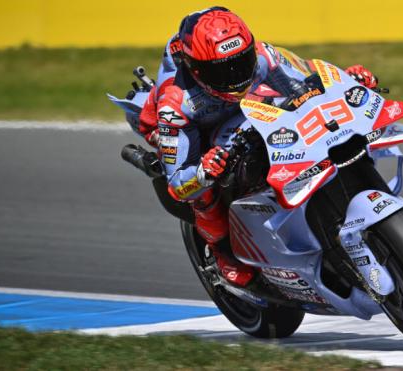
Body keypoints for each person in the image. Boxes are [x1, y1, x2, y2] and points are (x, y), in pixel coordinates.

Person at [133, 6, 379, 287]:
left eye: (242, 61)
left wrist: (347, 83)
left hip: (244, 110)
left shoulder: (264, 56)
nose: (237, 75)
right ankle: (221, 250)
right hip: (191, 130)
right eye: (222, 71)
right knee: (206, 185)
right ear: (196, 70)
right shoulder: (176, 103)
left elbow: (307, 81)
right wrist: (202, 172)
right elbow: (178, 185)